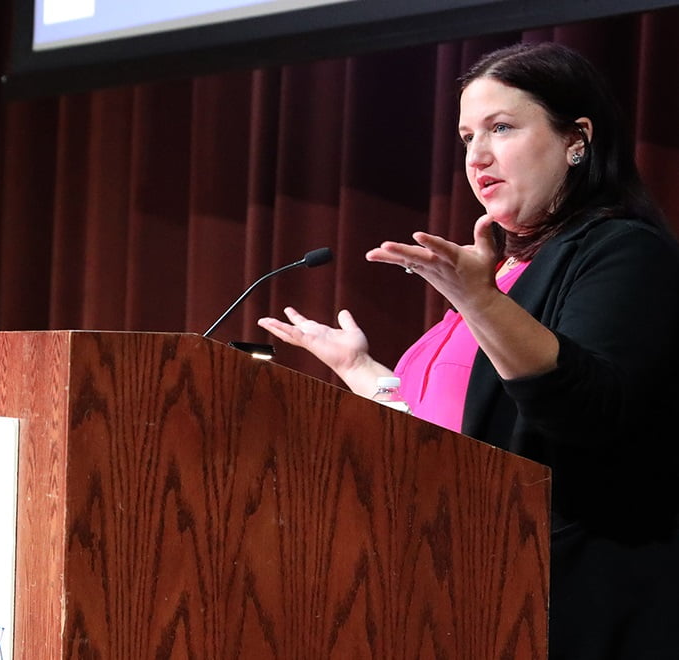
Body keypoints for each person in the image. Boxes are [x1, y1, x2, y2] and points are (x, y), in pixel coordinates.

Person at [258, 42, 679, 659]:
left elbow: (586, 412)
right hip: (460, 593)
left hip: (569, 609)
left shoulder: (620, 251)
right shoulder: (503, 276)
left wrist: (478, 300)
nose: (477, 157)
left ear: (577, 139)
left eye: (501, 128)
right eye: (465, 137)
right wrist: (362, 372)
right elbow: (451, 439)